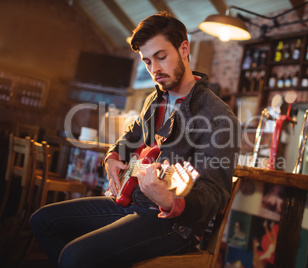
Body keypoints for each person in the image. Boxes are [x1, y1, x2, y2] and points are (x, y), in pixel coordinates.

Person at [30, 11, 240, 268]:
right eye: (147, 61)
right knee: (42, 221)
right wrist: (113, 156)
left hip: (175, 225)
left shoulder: (219, 116)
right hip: (133, 203)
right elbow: (132, 134)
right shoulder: (155, 99)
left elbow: (215, 193)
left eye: (161, 57)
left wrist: (170, 200)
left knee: (75, 256)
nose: (155, 69)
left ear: (184, 49)